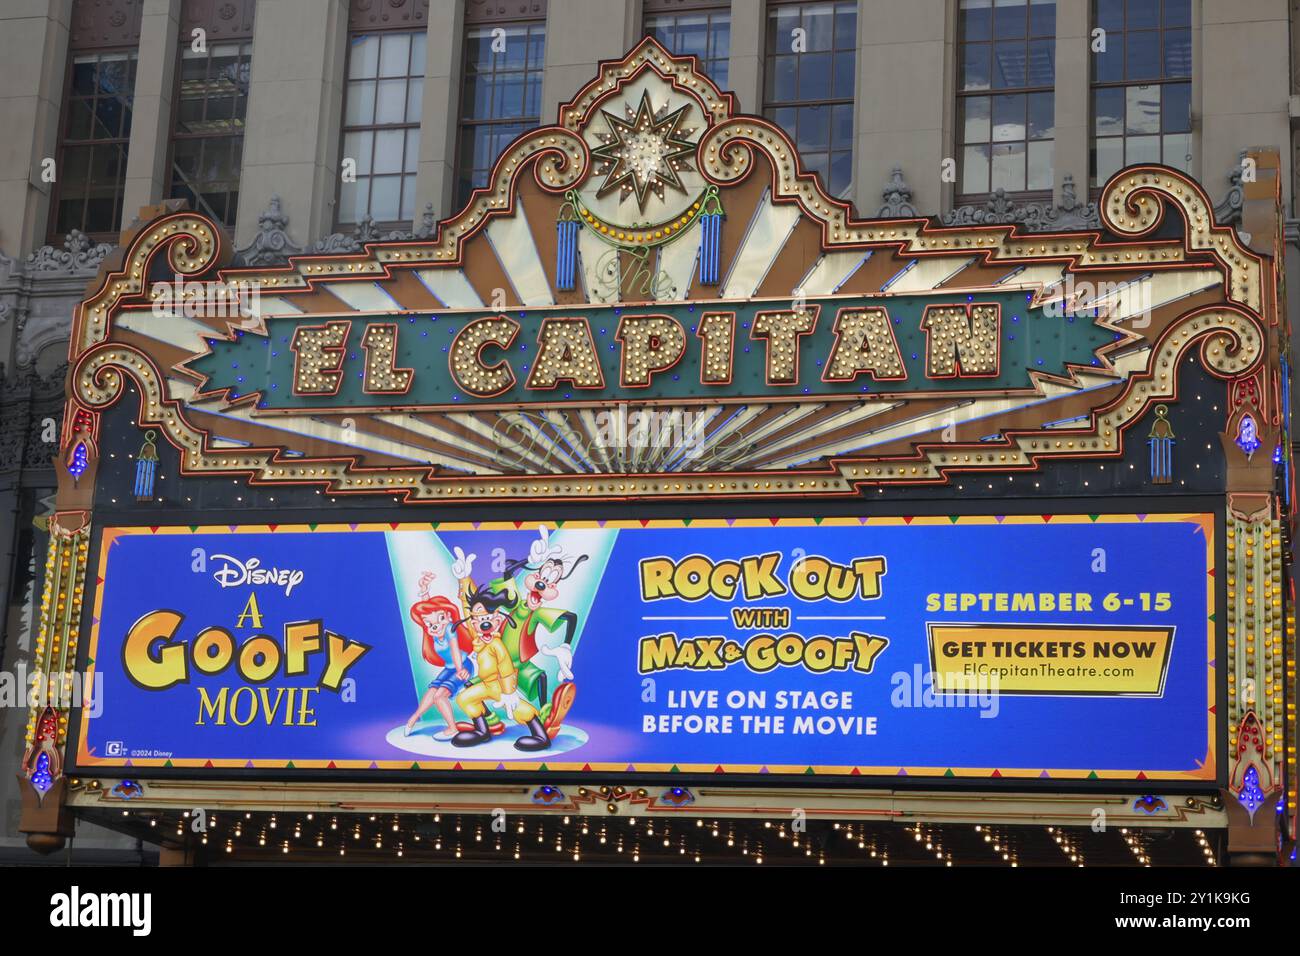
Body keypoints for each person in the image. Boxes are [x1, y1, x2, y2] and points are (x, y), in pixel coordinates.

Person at [403, 571, 475, 739]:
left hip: (463, 666)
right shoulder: (434, 631)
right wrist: (424, 591)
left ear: (449, 616)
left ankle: (452, 728)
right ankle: (413, 719)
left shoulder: (450, 628)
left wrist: (459, 670)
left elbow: (455, 650)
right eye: (430, 624)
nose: (435, 626)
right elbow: (427, 612)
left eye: (441, 619)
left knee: (439, 696)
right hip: (449, 668)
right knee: (432, 690)